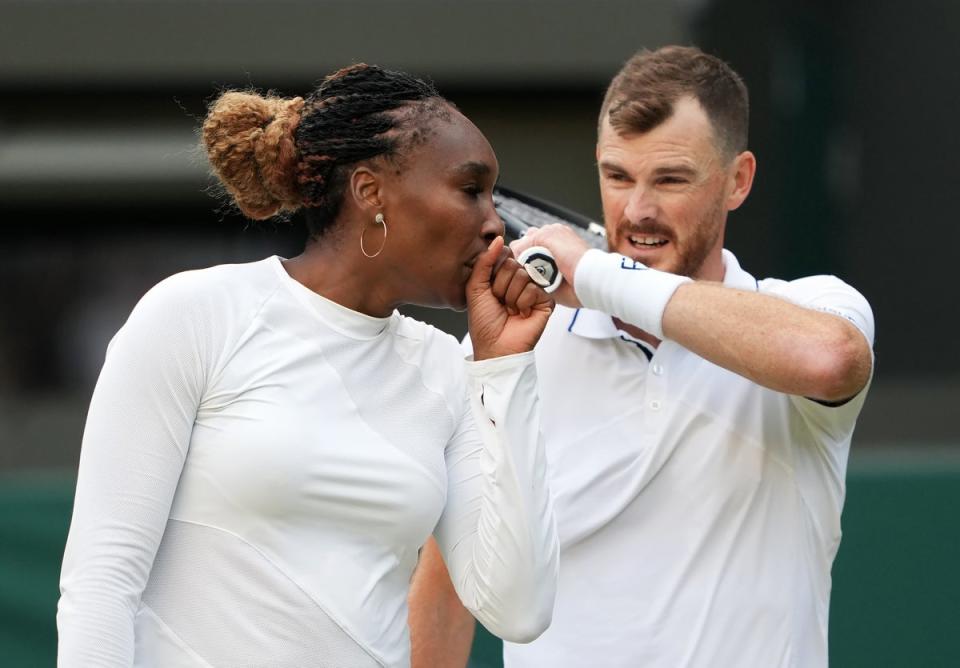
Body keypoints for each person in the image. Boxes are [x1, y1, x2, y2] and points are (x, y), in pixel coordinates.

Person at [57, 63, 559, 667]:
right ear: (371, 192)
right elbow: (100, 584)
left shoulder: (444, 371)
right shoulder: (195, 314)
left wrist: (503, 372)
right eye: (470, 189)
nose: (493, 225)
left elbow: (519, 610)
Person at [409, 46, 874, 668]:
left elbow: (831, 360)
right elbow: (449, 578)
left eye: (671, 179)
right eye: (617, 176)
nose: (637, 211)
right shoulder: (512, 343)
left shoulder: (813, 308)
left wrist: (601, 274)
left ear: (738, 179)